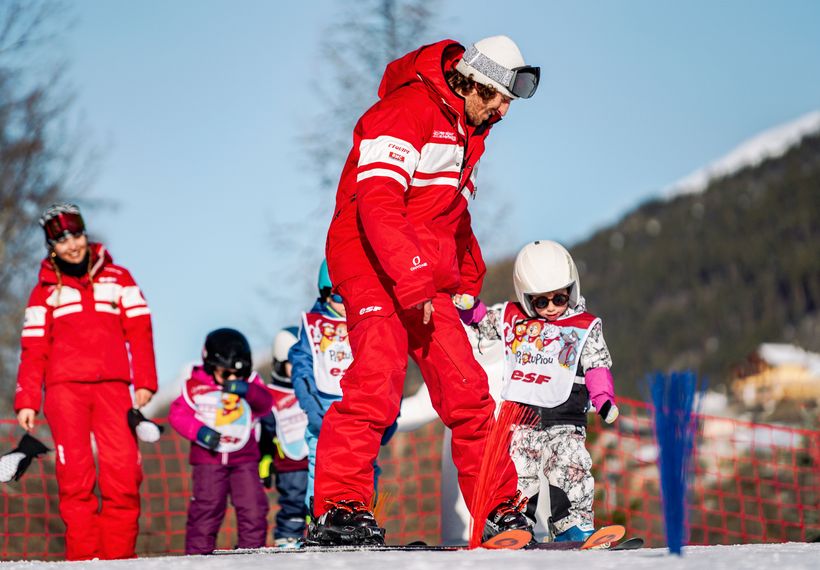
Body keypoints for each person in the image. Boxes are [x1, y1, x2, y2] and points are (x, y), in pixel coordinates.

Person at [313, 35, 540, 545]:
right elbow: (376, 203)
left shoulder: (470, 131)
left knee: (469, 391)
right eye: (500, 96)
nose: (504, 109)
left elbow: (452, 214)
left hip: (420, 273)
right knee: (376, 383)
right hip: (370, 262)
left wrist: (466, 271)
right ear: (474, 81)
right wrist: (415, 272)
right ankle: (340, 509)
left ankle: (499, 508)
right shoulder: (403, 112)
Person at [14, 203, 158, 560]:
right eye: (61, 240)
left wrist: (145, 380)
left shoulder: (119, 278)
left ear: (85, 233)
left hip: (114, 388)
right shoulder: (44, 292)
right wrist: (28, 399)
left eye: (76, 235)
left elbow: (140, 330)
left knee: (123, 475)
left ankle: (119, 558)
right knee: (75, 479)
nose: (72, 245)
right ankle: (83, 560)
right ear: (51, 247)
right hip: (65, 392)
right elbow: (33, 349)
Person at [462, 240, 619, 542]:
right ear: (526, 298)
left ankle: (571, 523)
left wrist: (603, 399)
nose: (550, 308)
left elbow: (597, 365)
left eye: (559, 299)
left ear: (571, 291)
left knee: (572, 468)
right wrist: (469, 307)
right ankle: (516, 523)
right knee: (520, 473)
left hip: (566, 418)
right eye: (540, 302)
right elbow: (484, 322)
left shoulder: (583, 326)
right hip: (523, 419)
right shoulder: (515, 318)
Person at [290, 260, 396, 531]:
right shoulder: (314, 326)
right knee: (320, 470)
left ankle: (361, 519)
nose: (344, 304)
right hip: (324, 418)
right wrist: (315, 414)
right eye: (338, 297)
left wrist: (389, 417)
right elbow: (302, 371)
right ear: (325, 294)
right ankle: (319, 521)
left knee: (365, 467)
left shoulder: (366, 324)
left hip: (361, 417)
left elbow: (388, 371)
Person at [168, 328, 272, 555]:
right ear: (210, 365)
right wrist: (200, 432)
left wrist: (248, 390)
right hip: (209, 460)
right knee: (206, 509)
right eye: (226, 375)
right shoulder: (195, 386)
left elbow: (265, 404)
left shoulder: (252, 383)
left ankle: (251, 553)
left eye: (239, 374)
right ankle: (198, 557)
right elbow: (178, 415)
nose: (233, 380)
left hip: (244, 459)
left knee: (253, 508)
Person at [259, 326, 310, 548]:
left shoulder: (314, 389)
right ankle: (289, 536)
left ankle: (318, 534)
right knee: (293, 502)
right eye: (293, 365)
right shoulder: (270, 395)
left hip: (317, 461)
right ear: (280, 364)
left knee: (318, 501)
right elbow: (266, 431)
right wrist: (265, 459)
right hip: (289, 464)